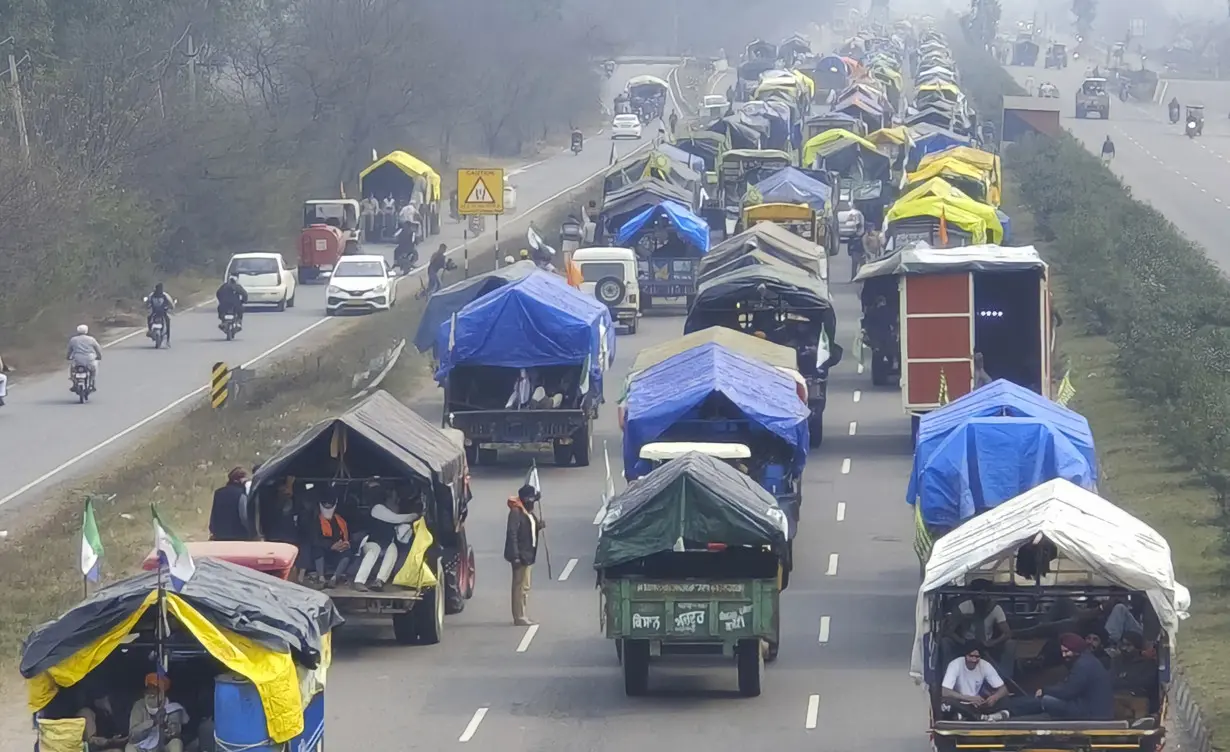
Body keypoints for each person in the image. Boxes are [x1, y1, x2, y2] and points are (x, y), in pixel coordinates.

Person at [1004, 633, 1115, 720]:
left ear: (1076, 650)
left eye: (1067, 651)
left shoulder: (1083, 665)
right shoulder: (1088, 660)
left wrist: (1045, 690)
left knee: (1046, 700)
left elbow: (1068, 691)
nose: (1064, 655)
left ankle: (1006, 709)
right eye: (1062, 651)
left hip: (1090, 713)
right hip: (1092, 709)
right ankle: (1008, 709)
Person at [948, 579, 1017, 681]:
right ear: (972, 595)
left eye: (985, 594)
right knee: (946, 643)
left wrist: (992, 642)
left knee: (1011, 644)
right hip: (965, 644)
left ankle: (1005, 679)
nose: (982, 598)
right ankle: (948, 678)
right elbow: (949, 631)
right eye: (979, 594)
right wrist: (962, 641)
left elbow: (1007, 633)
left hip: (987, 644)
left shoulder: (995, 608)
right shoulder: (963, 607)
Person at [353, 488, 422, 591]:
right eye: (393, 498)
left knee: (392, 551)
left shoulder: (392, 511)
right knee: (374, 550)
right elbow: (396, 518)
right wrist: (415, 515)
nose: (396, 501)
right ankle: (359, 581)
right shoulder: (377, 508)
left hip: (387, 543)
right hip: (372, 542)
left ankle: (379, 581)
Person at [504, 483, 544, 626]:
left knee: (525, 586)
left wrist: (539, 526)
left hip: (527, 555)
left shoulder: (527, 511)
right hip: (520, 555)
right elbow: (512, 534)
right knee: (519, 586)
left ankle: (523, 613)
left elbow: (529, 528)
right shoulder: (516, 512)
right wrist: (515, 556)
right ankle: (519, 616)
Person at [940, 642, 1010, 721]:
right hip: (961, 703)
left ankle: (969, 717)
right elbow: (944, 691)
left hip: (978, 704)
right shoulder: (955, 664)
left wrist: (994, 698)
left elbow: (1003, 689)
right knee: (946, 702)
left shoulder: (985, 665)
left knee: (1005, 700)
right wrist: (969, 698)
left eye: (977, 657)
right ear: (966, 656)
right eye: (971, 656)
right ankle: (980, 717)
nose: (974, 660)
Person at [126, 674, 187, 752]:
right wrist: (152, 722)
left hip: (163, 747)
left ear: (162, 693)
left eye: (154, 690)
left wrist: (166, 725)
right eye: (148, 690)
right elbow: (132, 737)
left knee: (176, 743)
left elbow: (175, 733)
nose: (150, 694)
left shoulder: (173, 707)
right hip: (142, 747)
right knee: (129, 747)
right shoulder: (139, 706)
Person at [309, 495, 352, 588]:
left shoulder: (340, 520)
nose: (328, 507)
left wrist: (345, 544)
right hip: (323, 552)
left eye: (330, 505)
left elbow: (347, 537)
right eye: (326, 505)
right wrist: (331, 546)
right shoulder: (315, 521)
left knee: (348, 553)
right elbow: (314, 540)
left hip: (337, 552)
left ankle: (334, 579)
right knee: (317, 550)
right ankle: (321, 579)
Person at [209, 467, 250, 541]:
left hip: (220, 535)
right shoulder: (241, 495)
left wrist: (213, 530)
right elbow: (244, 517)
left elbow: (214, 514)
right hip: (238, 536)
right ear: (238, 480)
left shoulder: (218, 493)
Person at [66, 324, 103, 392]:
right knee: (93, 370)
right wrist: (99, 356)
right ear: (86, 331)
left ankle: (74, 383)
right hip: (89, 359)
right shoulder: (91, 339)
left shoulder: (73, 339)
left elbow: (69, 350)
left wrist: (68, 357)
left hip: (77, 359)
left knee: (73, 369)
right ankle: (91, 383)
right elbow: (98, 348)